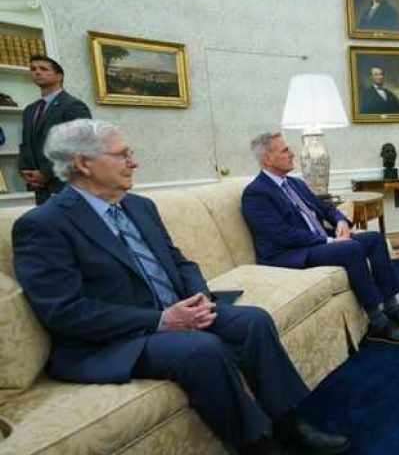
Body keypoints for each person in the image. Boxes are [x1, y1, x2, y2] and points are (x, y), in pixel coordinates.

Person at [12, 119, 349, 455]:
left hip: (176, 310)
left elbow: (179, 261)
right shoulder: (44, 225)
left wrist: (198, 295)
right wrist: (161, 321)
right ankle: (256, 444)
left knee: (254, 321)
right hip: (116, 338)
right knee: (203, 350)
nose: (134, 162)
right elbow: (65, 312)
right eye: (122, 155)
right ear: (83, 163)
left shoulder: (139, 206)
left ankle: (289, 423)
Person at [241, 132, 399, 345]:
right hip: (289, 254)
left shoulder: (294, 184)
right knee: (350, 249)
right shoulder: (256, 193)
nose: (292, 153)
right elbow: (282, 235)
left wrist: (340, 222)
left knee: (374, 239)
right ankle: (378, 323)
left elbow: (325, 207)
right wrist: (329, 242)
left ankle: (394, 310)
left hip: (315, 242)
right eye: (285, 150)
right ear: (267, 159)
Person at [18, 55, 92, 205]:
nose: (37, 72)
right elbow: (27, 144)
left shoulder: (73, 106)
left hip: (66, 184)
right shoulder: (30, 110)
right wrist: (26, 171)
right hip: (40, 188)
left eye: (43, 69)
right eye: (33, 69)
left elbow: (78, 145)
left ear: (59, 76)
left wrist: (45, 173)